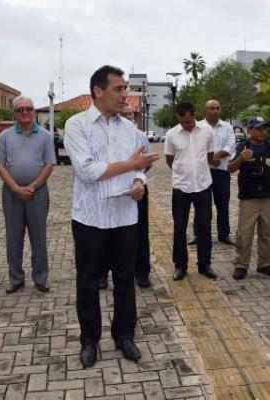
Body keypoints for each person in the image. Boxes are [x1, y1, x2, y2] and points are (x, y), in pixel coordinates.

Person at [64, 65, 159, 368]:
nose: (125, 95)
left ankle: (124, 336)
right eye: (118, 89)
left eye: (126, 88)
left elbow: (143, 166)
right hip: (90, 219)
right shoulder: (77, 125)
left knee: (124, 281)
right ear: (98, 91)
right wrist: (128, 165)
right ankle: (89, 340)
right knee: (88, 282)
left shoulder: (131, 129)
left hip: (125, 218)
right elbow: (87, 171)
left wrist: (138, 183)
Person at [0, 95, 56, 294]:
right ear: (14, 113)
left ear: (34, 111)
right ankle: (16, 278)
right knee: (13, 237)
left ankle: (40, 278)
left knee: (39, 237)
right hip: (11, 193)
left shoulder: (46, 136)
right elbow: (1, 166)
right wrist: (15, 188)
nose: (25, 113)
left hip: (37, 192)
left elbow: (49, 164)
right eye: (20, 109)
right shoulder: (5, 136)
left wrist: (33, 186)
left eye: (28, 109)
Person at [99, 103, 153, 289]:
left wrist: (138, 178)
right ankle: (102, 273)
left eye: (132, 114)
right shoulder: (107, 136)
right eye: (126, 114)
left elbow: (146, 163)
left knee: (140, 232)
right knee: (106, 232)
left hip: (137, 189)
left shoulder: (141, 136)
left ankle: (142, 273)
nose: (130, 118)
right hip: (112, 191)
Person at [228, 117, 270, 280]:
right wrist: (241, 158)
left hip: (268, 198)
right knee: (245, 234)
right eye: (258, 128)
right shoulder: (242, 147)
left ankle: (265, 264)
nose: (262, 132)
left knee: (267, 233)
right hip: (249, 199)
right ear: (250, 130)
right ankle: (241, 265)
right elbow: (229, 168)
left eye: (264, 128)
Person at [164, 101, 217, 281]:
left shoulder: (207, 131)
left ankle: (205, 264)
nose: (186, 125)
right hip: (181, 187)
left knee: (204, 226)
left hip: (203, 185)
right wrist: (183, 172)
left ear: (194, 115)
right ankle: (180, 265)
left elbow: (210, 156)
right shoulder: (171, 134)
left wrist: (198, 170)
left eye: (188, 121)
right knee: (179, 228)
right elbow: (169, 160)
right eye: (182, 121)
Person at [189, 100, 235, 246]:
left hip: (221, 171)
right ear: (205, 110)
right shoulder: (198, 127)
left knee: (223, 204)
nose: (215, 111)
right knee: (201, 205)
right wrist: (210, 159)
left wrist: (218, 155)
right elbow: (194, 146)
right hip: (204, 171)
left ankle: (224, 234)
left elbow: (231, 145)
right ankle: (198, 234)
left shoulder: (227, 127)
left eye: (217, 108)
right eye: (211, 108)